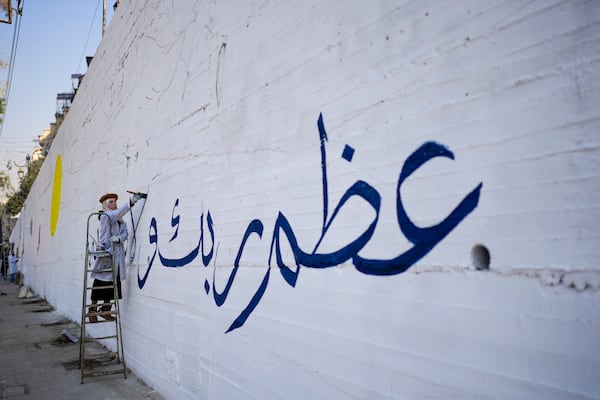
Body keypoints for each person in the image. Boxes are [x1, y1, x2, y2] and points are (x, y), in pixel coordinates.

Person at [89, 192, 142, 322]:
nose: (114, 204)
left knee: (113, 283)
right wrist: (132, 201)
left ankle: (106, 309)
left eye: (115, 202)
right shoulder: (105, 216)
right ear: (106, 205)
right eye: (111, 202)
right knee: (100, 282)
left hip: (117, 255)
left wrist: (118, 238)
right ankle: (92, 311)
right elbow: (117, 213)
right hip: (107, 253)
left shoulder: (120, 221)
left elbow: (125, 234)